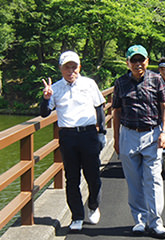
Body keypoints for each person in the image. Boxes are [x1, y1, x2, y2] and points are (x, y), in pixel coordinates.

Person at [40, 51, 106, 231]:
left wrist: (102, 132)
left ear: (79, 67)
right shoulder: (56, 88)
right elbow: (45, 113)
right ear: (61, 69)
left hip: (88, 133)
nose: (71, 71)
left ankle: (93, 205)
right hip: (68, 136)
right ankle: (76, 216)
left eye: (74, 67)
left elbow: (99, 106)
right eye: (67, 67)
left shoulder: (89, 84)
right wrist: (46, 98)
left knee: (93, 175)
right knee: (72, 178)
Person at [112, 45, 165, 236]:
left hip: (152, 134)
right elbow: (116, 112)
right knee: (134, 180)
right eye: (134, 60)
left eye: (141, 60)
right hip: (128, 134)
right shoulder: (120, 82)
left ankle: (156, 221)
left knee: (153, 179)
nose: (138, 64)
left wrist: (164, 132)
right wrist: (116, 139)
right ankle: (139, 220)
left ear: (147, 61)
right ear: (127, 63)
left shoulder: (156, 79)